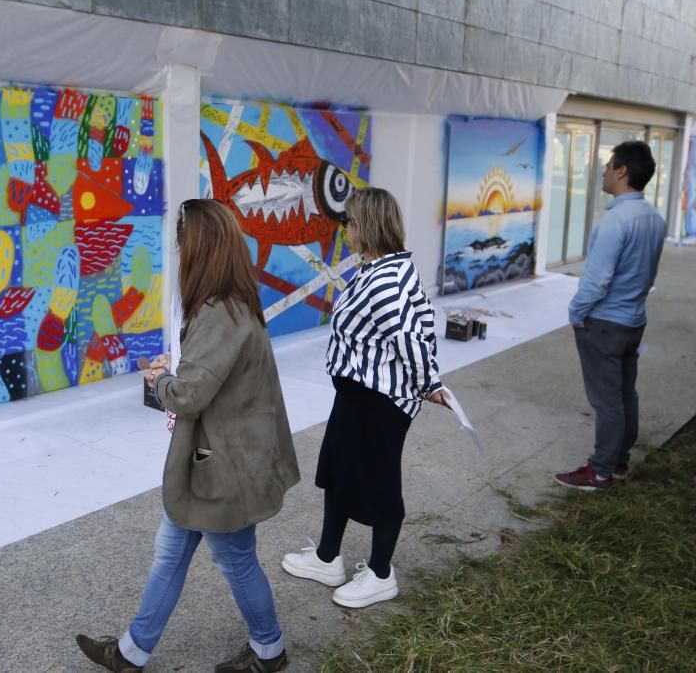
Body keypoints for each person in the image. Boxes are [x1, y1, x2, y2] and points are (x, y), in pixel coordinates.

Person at [76, 199, 300, 672]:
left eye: (181, 244)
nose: (178, 253)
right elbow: (209, 380)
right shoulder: (234, 302)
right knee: (170, 553)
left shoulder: (218, 312)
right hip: (216, 464)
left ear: (199, 248)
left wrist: (159, 380)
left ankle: (269, 651)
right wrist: (175, 373)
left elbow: (190, 394)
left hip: (222, 470)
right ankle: (132, 652)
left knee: (236, 561)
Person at [281, 187, 449, 609]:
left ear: (366, 226)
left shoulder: (386, 279)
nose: (344, 230)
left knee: (380, 485)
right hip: (357, 395)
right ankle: (326, 557)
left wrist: (430, 383)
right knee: (337, 472)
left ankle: (380, 573)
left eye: (349, 222)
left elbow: (410, 336)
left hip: (380, 402)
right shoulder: (377, 268)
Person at [555, 141, 665, 491]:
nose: (603, 171)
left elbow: (596, 281)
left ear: (622, 171)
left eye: (608, 165)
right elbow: (647, 275)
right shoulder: (654, 218)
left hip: (604, 323)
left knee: (607, 401)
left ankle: (600, 471)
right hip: (633, 320)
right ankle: (618, 461)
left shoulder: (616, 220)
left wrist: (576, 313)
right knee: (624, 394)